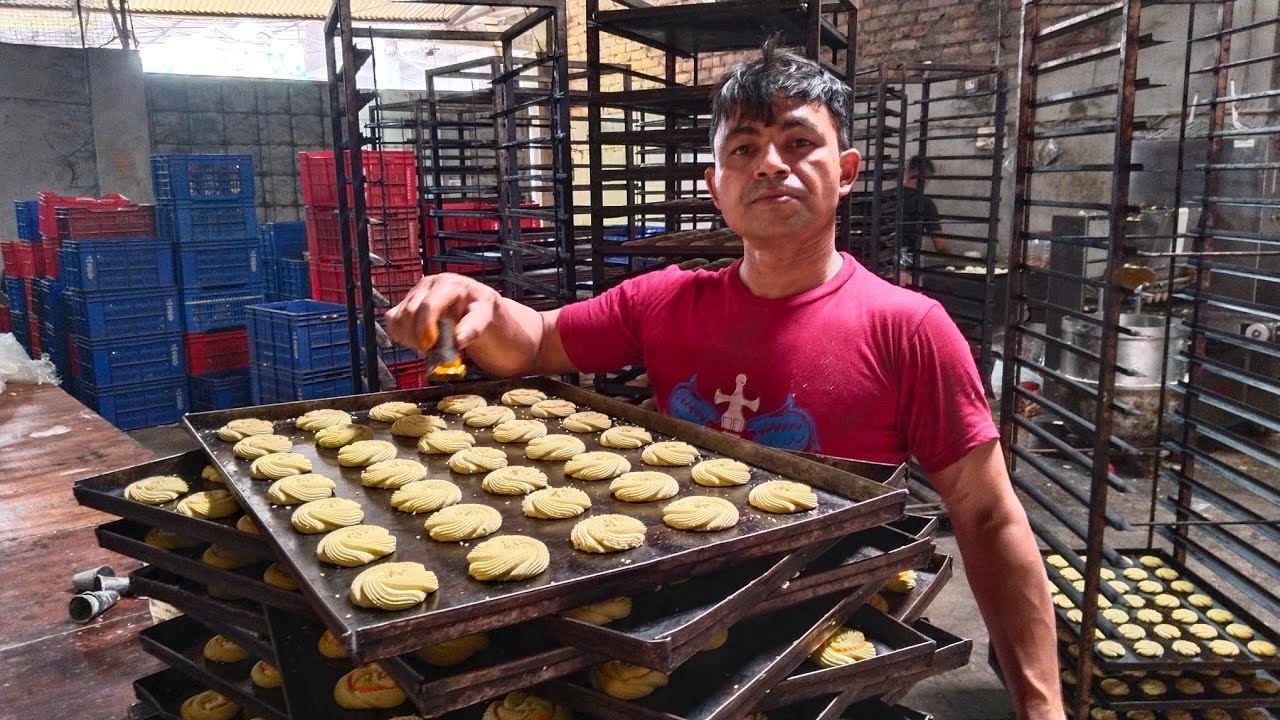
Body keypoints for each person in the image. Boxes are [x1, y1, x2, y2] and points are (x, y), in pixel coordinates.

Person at [386, 39, 1061, 720]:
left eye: (799, 142)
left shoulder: (908, 329)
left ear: (847, 170)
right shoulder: (664, 302)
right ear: (716, 184)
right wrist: (479, 301)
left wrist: (1040, 704)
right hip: (669, 630)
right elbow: (534, 344)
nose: (771, 163)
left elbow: (987, 515)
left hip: (818, 647)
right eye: (743, 149)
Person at [897, 155, 947, 285]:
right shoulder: (925, 203)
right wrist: (956, 259)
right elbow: (940, 245)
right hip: (907, 268)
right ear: (926, 176)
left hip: (881, 265)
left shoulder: (889, 197)